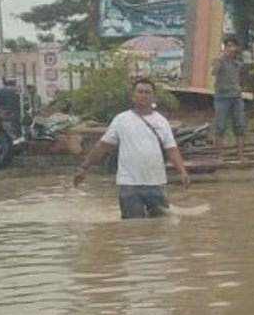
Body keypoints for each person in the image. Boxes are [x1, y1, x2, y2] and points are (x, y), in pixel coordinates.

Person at [72, 78, 191, 218]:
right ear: (133, 96)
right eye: (140, 92)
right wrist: (84, 168)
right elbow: (102, 146)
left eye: (147, 92)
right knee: (132, 225)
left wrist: (182, 172)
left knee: (161, 225)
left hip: (156, 182)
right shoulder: (121, 120)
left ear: (153, 97)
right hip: (129, 184)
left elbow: (171, 149)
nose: (143, 95)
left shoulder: (161, 121)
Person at [210, 36, 245, 159]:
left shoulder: (237, 61)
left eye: (232, 46)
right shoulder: (218, 59)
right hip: (222, 98)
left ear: (236, 47)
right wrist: (222, 57)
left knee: (240, 126)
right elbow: (214, 72)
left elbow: (239, 73)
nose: (230, 48)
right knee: (220, 126)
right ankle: (220, 155)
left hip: (236, 97)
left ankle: (240, 154)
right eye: (227, 46)